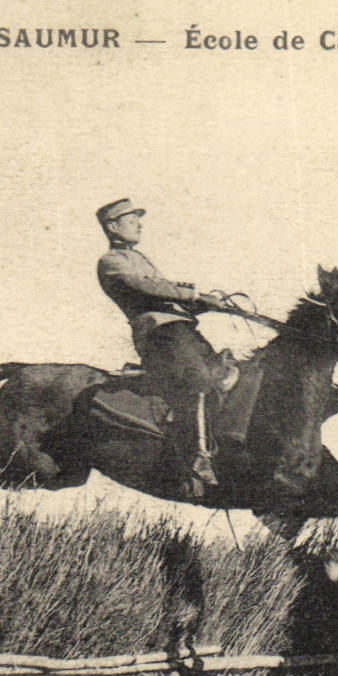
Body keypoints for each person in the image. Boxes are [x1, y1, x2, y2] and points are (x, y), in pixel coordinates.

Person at [96, 199, 236, 498]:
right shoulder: (112, 262)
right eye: (132, 220)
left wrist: (204, 302)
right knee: (200, 381)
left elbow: (164, 294)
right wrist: (195, 294)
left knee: (226, 377)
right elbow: (147, 287)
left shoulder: (138, 258)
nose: (139, 224)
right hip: (161, 336)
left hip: (181, 331)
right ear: (113, 226)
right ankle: (199, 460)